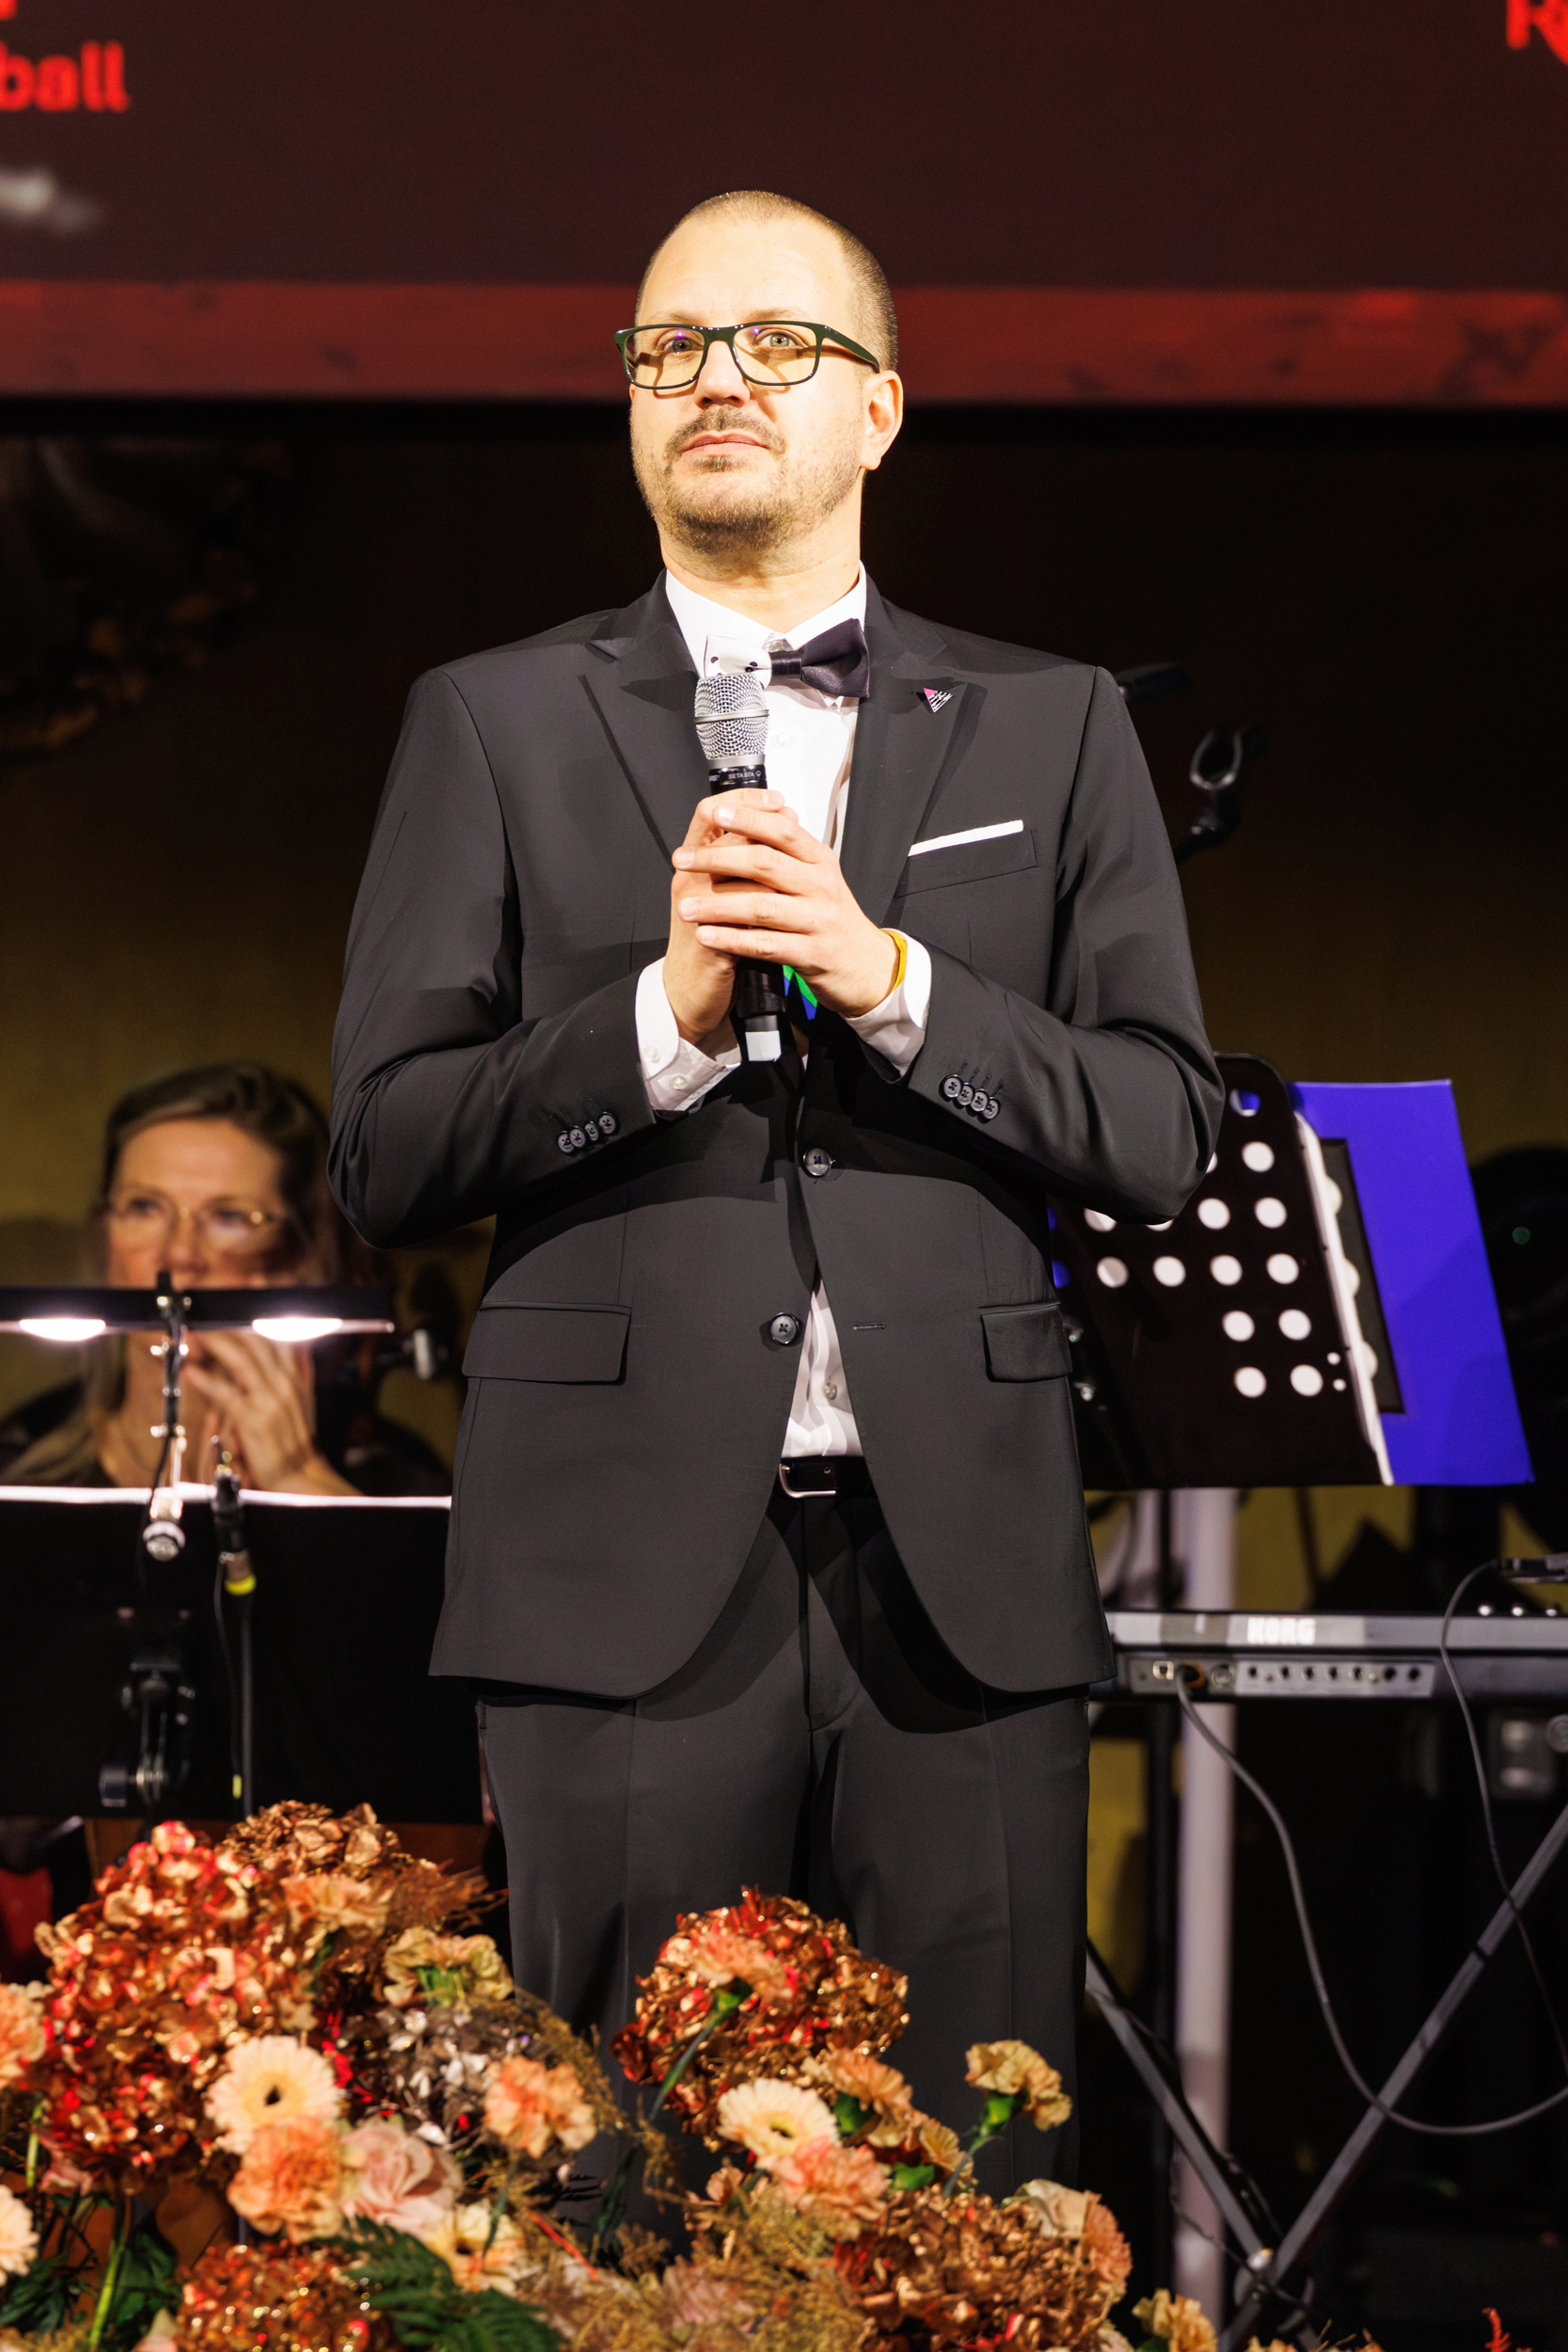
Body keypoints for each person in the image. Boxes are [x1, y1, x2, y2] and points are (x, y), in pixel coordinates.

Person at [330, 190, 1220, 2184]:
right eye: (667, 348)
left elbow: (1159, 1126)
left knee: (970, 2180)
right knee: (613, 2184)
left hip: (956, 1580)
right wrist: (657, 1018)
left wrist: (889, 982)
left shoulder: (1051, 719)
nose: (713, 378)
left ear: (878, 408)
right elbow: (385, 1147)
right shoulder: (490, 719)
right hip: (617, 1574)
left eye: (774, 343)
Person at [1, 1061, 446, 1495]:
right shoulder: (18, 1464)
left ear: (300, 1256)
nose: (179, 1253)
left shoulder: (395, 1482)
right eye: (144, 1207)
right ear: (104, 1236)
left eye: (229, 1216)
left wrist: (300, 1481)